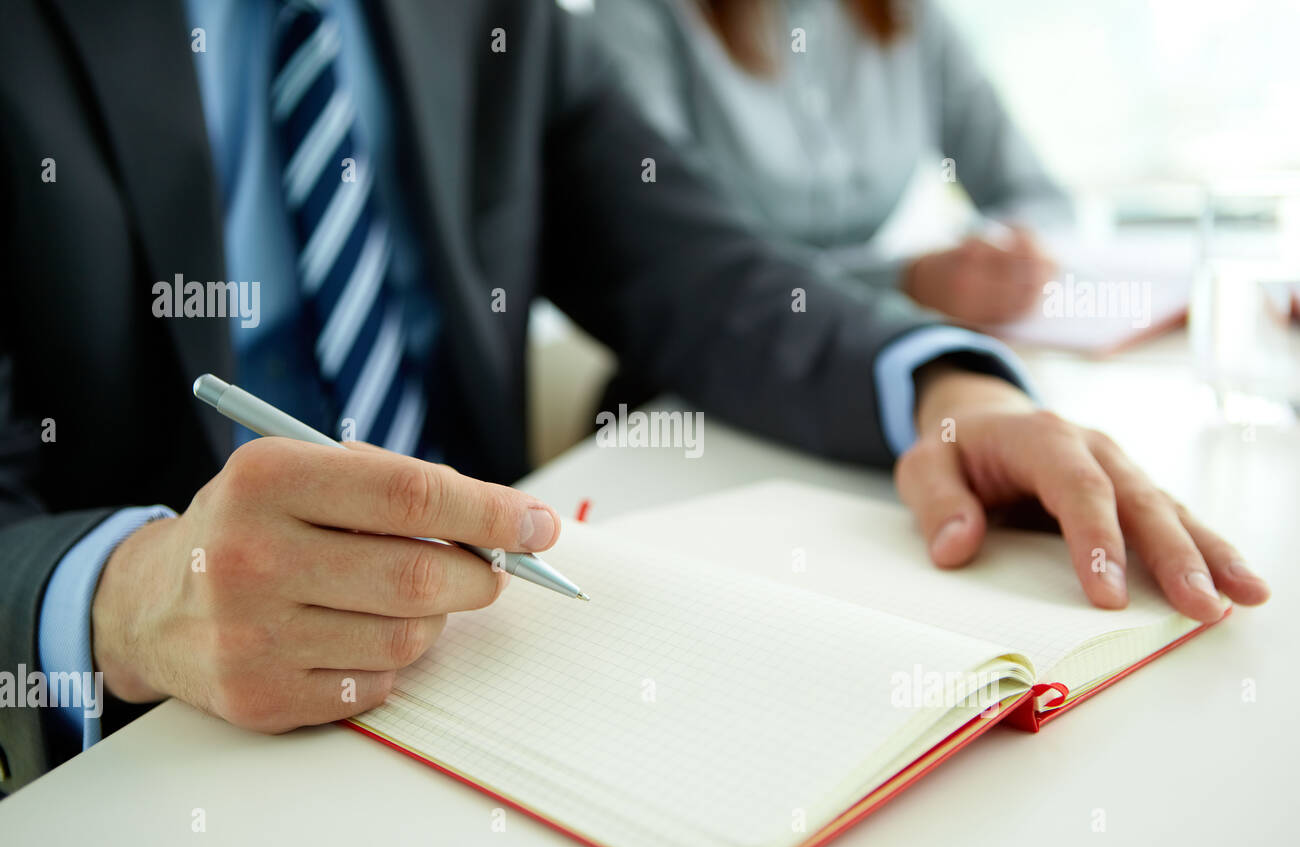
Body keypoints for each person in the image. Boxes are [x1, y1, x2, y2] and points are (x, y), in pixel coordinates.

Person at [0, 0, 1267, 796]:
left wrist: (943, 384)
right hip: (162, 757)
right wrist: (133, 597)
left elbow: (693, 261)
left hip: (500, 656)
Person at [590, 0, 1066, 327]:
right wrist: (901, 284)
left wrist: (1006, 256)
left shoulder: (909, 14)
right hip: (708, 368)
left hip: (863, 342)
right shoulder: (644, 15)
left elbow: (1036, 197)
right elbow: (677, 258)